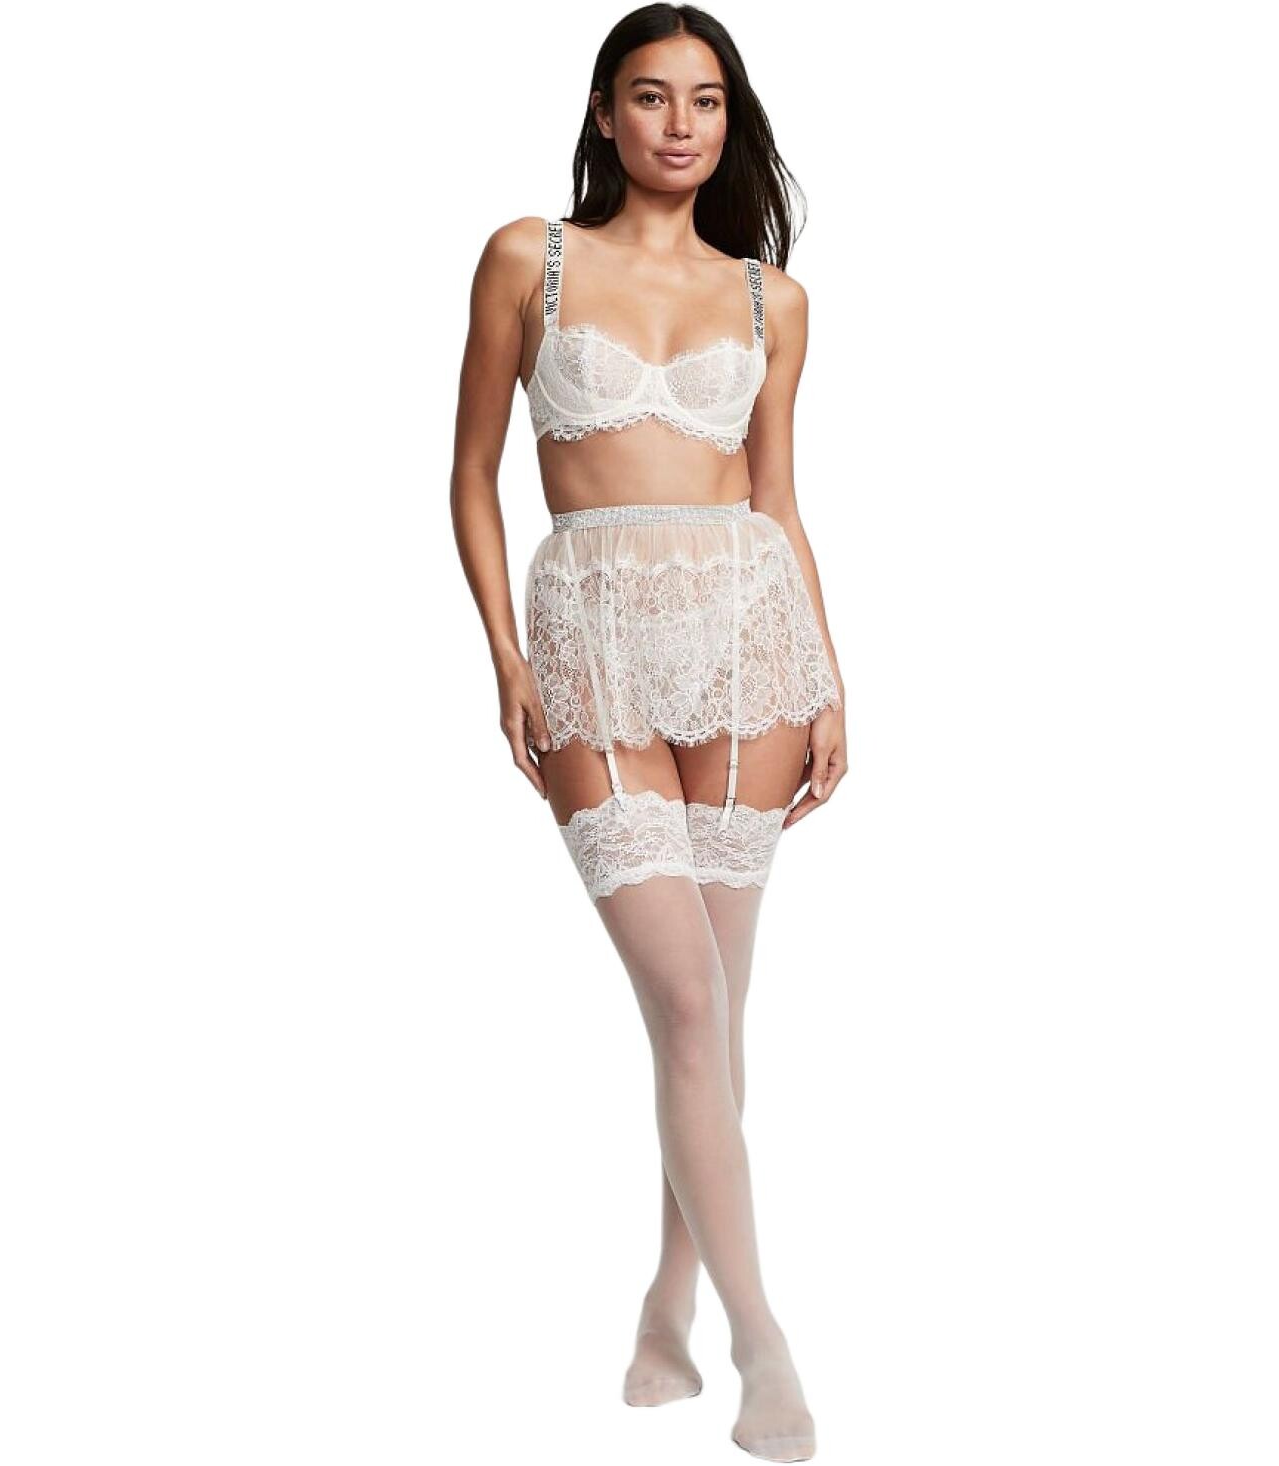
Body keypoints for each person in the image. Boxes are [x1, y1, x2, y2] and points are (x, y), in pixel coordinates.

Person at [450, 7, 847, 1460]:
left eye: (705, 100)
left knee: (711, 1016)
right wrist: (506, 653)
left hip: (747, 644)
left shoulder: (770, 299)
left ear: (728, 122)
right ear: (604, 113)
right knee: (685, 1003)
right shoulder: (528, 259)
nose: (679, 124)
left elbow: (776, 497)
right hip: (590, 641)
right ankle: (763, 1344)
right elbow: (471, 475)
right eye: (649, 96)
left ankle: (667, 1308)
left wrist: (828, 673)